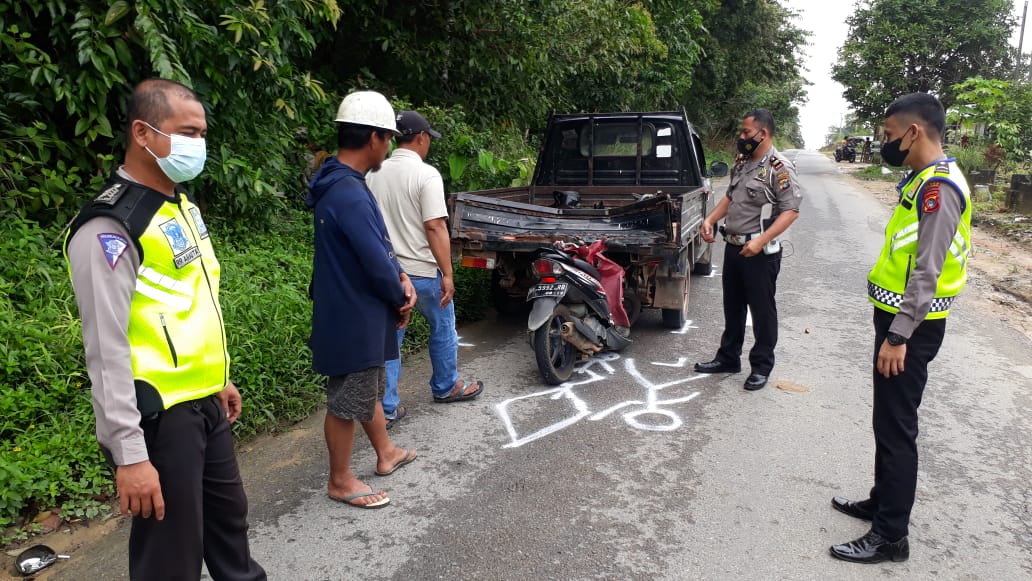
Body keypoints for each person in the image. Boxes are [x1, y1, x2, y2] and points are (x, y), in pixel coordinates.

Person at [64, 79, 266, 580]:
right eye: (187, 132)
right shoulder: (110, 226)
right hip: (158, 418)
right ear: (143, 132)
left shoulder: (181, 208)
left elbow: (190, 306)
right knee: (170, 556)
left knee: (230, 532)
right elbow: (105, 348)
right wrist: (129, 455)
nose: (198, 145)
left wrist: (218, 377)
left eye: (202, 133)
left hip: (205, 404)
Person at [829, 93, 972, 564]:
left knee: (896, 427)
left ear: (914, 132)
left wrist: (898, 335)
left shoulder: (940, 188)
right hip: (900, 319)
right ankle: (882, 501)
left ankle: (890, 536)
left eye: (889, 134)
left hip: (911, 326)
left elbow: (927, 271)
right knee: (886, 419)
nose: (885, 142)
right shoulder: (925, 179)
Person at [306, 91, 419, 509]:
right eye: (387, 138)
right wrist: (399, 295)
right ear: (373, 137)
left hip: (354, 308)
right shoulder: (348, 192)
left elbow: (378, 244)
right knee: (345, 400)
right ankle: (340, 479)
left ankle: (385, 452)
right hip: (354, 312)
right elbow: (374, 260)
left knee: (365, 388)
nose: (388, 146)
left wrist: (401, 276)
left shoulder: (343, 183)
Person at [366, 110, 484, 428]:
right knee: (443, 329)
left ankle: (387, 408)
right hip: (423, 273)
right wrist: (447, 273)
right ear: (421, 138)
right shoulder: (426, 175)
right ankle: (446, 387)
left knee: (391, 340)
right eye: (428, 138)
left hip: (387, 273)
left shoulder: (372, 173)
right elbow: (434, 226)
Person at [694, 109, 802, 390]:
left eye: (745, 133)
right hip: (734, 247)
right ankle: (728, 357)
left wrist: (762, 240)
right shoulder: (742, 163)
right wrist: (710, 219)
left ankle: (761, 366)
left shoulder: (779, 168)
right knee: (733, 307)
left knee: (762, 311)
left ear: (762, 134)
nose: (741, 138)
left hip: (760, 252)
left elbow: (790, 211)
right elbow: (731, 196)